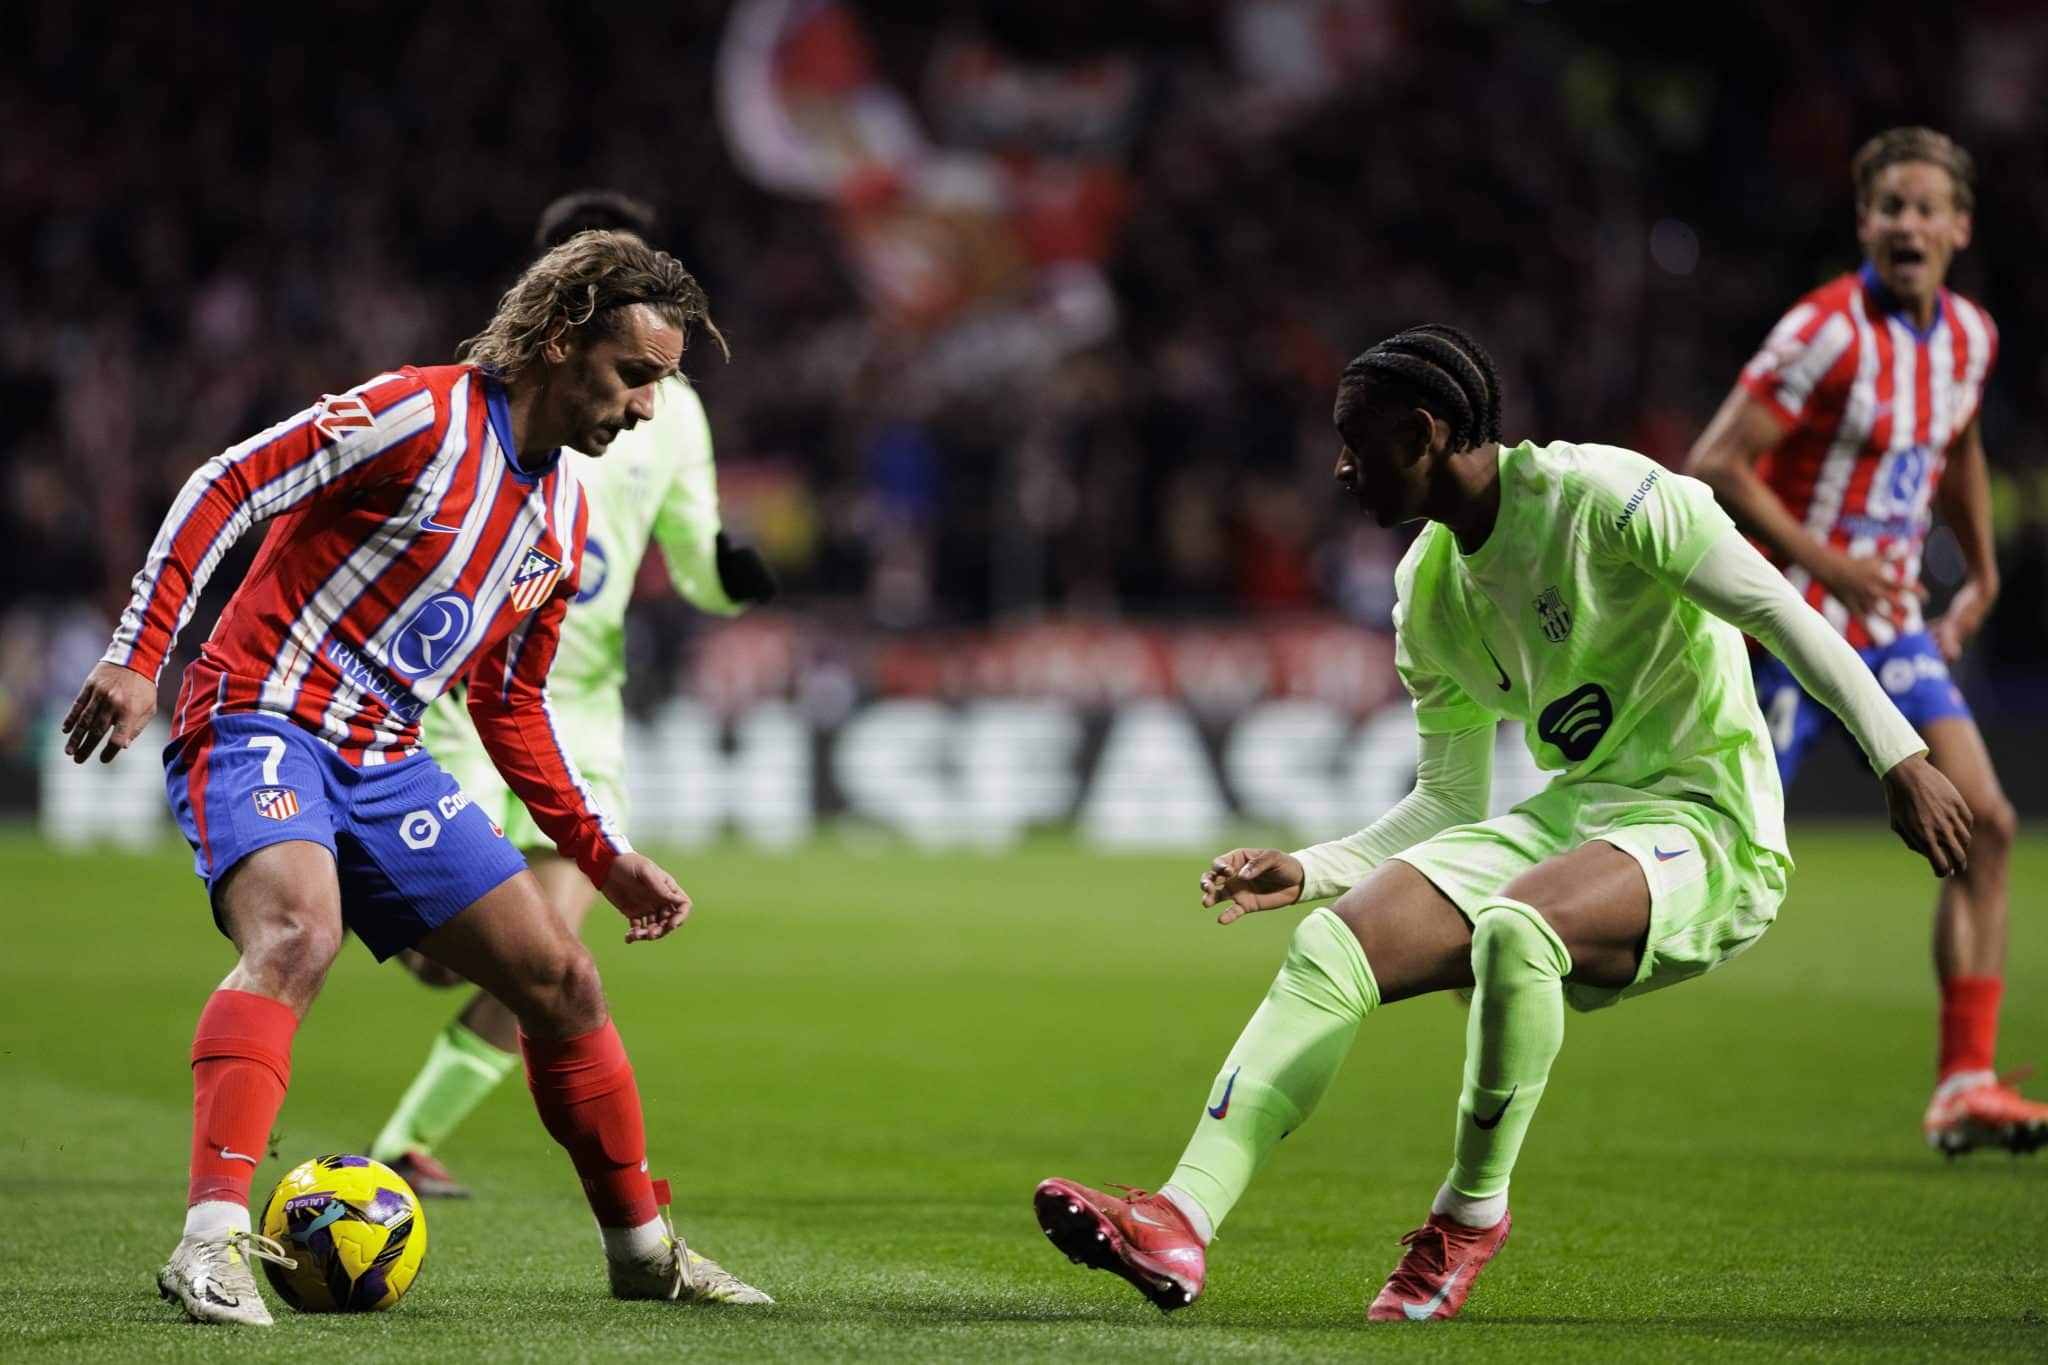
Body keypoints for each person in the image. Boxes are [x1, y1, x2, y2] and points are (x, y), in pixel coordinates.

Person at [1032, 323, 1971, 1322]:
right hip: (1575, 820)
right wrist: (1308, 869)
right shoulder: (1428, 591)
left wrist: (1900, 756)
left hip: (1707, 825)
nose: (1341, 469)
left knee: (1518, 929)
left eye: (1357, 441)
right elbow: (1448, 802)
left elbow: (1778, 613)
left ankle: (1466, 1216)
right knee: (1331, 949)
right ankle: (1180, 1218)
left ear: (1426, 433)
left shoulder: (1607, 497)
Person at [63, 229, 766, 1324]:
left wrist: (601, 857)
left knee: (562, 980)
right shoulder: (418, 414)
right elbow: (228, 481)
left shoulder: (558, 520)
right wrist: (138, 650)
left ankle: (642, 1251)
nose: (643, 411)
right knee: (299, 934)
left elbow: (509, 708)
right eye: (635, 376)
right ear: (558, 338)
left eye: (660, 388)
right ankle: (210, 1244)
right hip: (258, 713)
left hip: (385, 757)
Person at [367, 190, 776, 1205]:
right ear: (555, 314)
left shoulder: (673, 411)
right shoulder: (488, 402)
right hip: (461, 695)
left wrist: (732, 577)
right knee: (446, 958)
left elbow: (695, 563)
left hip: (578, 708)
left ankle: (403, 1145)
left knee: (549, 956)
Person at [1684, 126, 2043, 1156]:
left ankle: (1961, 1083)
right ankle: (1533, 933)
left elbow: (1959, 439)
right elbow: (1718, 461)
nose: (1906, 225)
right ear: (1862, 223)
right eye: (1889, 207)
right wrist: (1827, 563)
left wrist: (1978, 570)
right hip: (1787, 616)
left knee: (1984, 820)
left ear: (1958, 227)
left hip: (1885, 624)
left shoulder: (1967, 336)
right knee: (1713, 849)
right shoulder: (1825, 329)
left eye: (1926, 208)